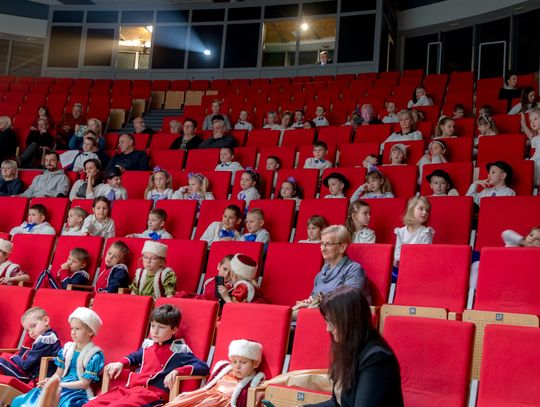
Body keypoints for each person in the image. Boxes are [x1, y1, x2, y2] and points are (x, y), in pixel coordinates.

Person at [85, 304, 209, 407]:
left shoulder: (179, 350)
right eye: (153, 325)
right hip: (130, 390)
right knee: (92, 404)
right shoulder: (148, 345)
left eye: (161, 327)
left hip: (151, 395)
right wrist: (120, 363)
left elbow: (203, 367)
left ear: (174, 330)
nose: (155, 331)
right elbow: (134, 357)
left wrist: (177, 371)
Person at [305, 286, 403, 407]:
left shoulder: (377, 359)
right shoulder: (347, 350)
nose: (328, 329)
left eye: (332, 322)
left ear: (350, 322)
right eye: (327, 321)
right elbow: (337, 403)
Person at [11, 307, 104, 407]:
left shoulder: (94, 355)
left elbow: (84, 383)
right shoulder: (66, 350)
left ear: (90, 331)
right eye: (71, 328)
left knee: (61, 403)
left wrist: (59, 384)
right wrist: (50, 381)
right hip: (60, 385)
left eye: (77, 329)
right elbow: (58, 374)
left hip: (75, 392)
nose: (73, 332)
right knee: (23, 400)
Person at [164, 339, 265, 407]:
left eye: (243, 362)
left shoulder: (254, 384)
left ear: (255, 363)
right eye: (234, 362)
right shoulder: (223, 369)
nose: (237, 366)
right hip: (203, 397)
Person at [294, 225, 372, 312]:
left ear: (342, 247)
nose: (323, 249)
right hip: (317, 315)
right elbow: (314, 301)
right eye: (322, 244)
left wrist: (311, 307)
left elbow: (346, 302)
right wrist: (306, 304)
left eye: (328, 244)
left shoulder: (354, 270)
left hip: (342, 317)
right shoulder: (319, 276)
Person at [0, 307, 60, 383]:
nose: (31, 332)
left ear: (45, 320)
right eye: (28, 330)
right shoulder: (45, 337)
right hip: (33, 373)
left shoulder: (47, 339)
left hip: (39, 378)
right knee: (4, 358)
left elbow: (26, 365)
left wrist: (13, 358)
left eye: (33, 326)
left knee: (2, 359)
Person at [394, 196, 434, 269]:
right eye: (421, 209)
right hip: (402, 266)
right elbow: (398, 252)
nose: (425, 212)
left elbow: (424, 255)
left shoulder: (426, 232)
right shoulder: (400, 231)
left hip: (418, 267)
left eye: (427, 210)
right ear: (411, 209)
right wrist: (400, 262)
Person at [521, 107, 540, 185]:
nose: (532, 122)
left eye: (535, 119)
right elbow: (524, 125)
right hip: (535, 162)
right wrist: (522, 116)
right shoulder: (534, 137)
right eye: (530, 121)